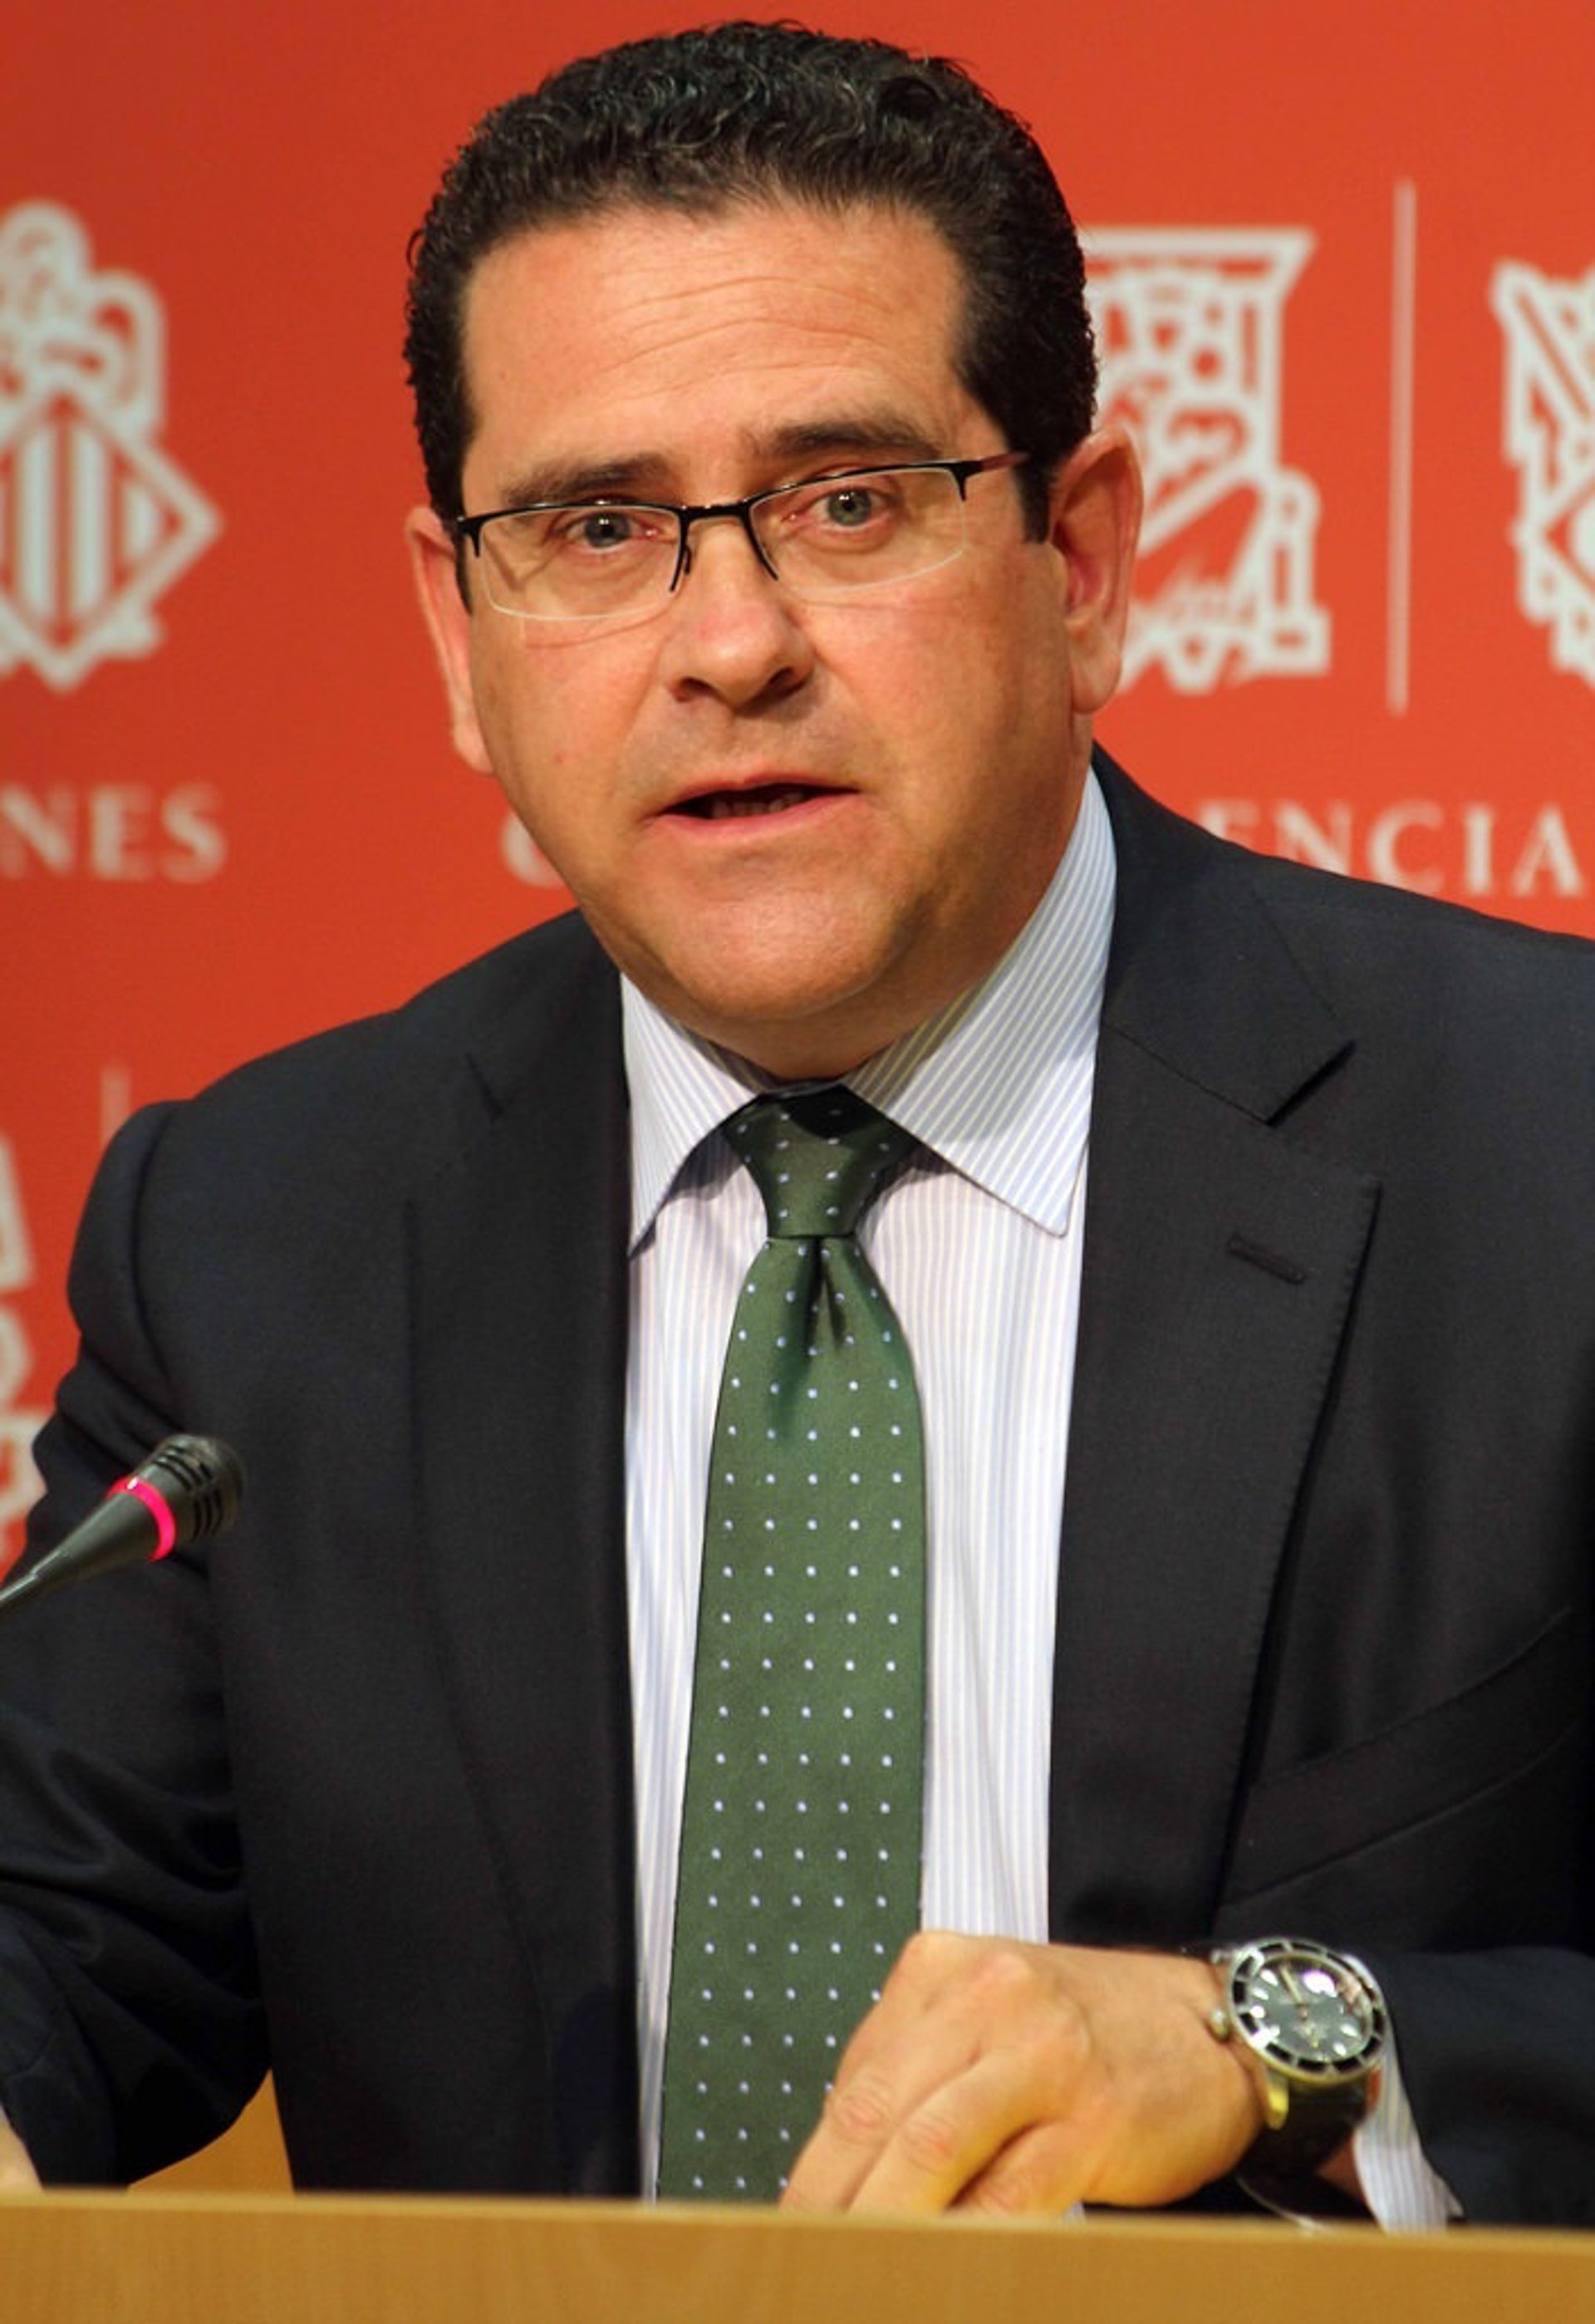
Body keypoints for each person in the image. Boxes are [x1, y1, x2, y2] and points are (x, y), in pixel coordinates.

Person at [2, 21, 1593, 2228]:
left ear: (1081, 560)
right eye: (598, 529)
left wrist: (1285, 2049)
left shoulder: (1546, 1166)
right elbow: (63, 1935)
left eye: (847, 501)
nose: (730, 642)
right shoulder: (260, 1239)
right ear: (460, 637)